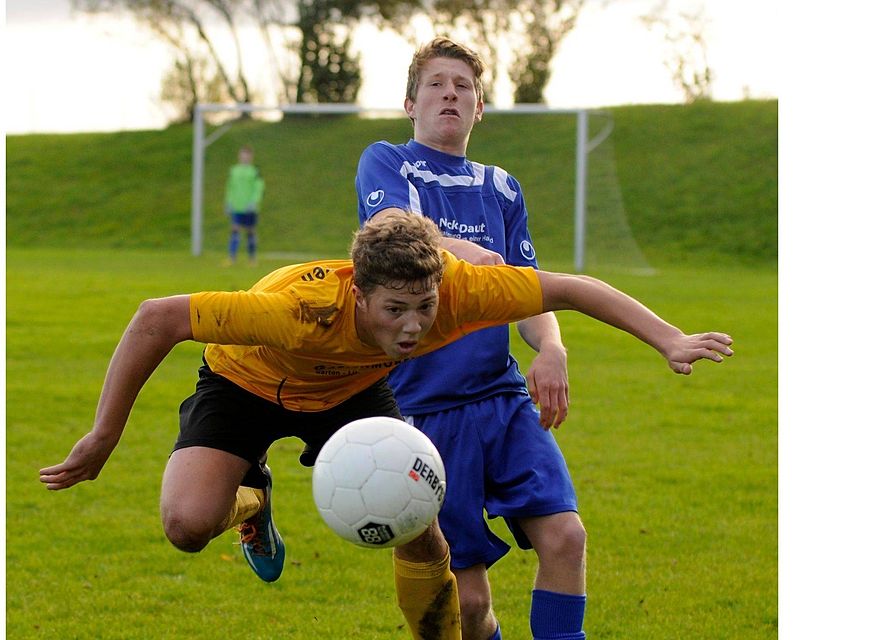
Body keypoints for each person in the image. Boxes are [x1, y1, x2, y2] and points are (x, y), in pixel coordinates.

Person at [39, 211, 733, 639]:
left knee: (422, 527)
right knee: (187, 527)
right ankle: (252, 498)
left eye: (424, 306)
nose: (413, 325)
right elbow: (156, 317)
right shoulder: (296, 309)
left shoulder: (457, 292)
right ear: (358, 292)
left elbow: (572, 289)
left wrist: (668, 338)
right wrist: (103, 435)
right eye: (394, 309)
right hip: (248, 383)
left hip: (354, 392)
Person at [353, 38, 576, 639]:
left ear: (479, 108)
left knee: (566, 537)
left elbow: (526, 288)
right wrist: (466, 254)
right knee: (470, 603)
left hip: (500, 400)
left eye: (464, 86)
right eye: (436, 83)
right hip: (424, 409)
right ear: (409, 102)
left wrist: (550, 348)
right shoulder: (386, 162)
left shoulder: (501, 188)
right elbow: (391, 229)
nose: (450, 93)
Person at [224, 145, 265, 265]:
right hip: (237, 206)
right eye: (242, 155)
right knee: (234, 230)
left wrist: (254, 201)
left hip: (250, 208)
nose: (244, 158)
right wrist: (228, 202)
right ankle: (232, 258)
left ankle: (252, 258)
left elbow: (259, 187)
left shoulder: (255, 171)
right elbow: (230, 187)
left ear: (251, 157)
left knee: (250, 231)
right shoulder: (234, 170)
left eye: (247, 156)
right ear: (239, 156)